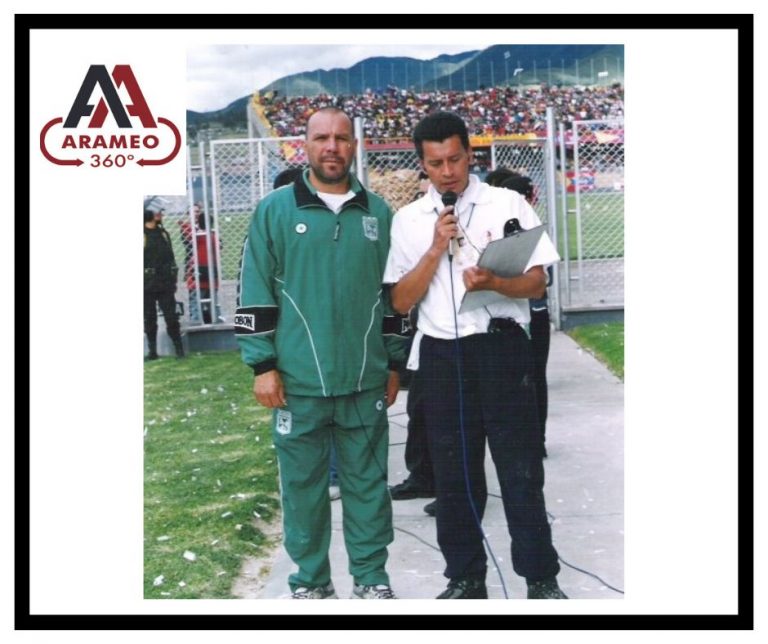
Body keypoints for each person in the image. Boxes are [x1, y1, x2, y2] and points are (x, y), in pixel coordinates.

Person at [383, 111, 567, 600]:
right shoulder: (408, 220)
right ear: (422, 165)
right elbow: (400, 301)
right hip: (442, 354)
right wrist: (433, 251)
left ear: (470, 154)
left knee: (520, 470)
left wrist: (494, 282)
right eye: (435, 163)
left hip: (501, 347)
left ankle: (541, 578)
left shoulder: (506, 203)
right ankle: (465, 578)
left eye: (455, 159)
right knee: (453, 475)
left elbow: (537, 283)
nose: (447, 172)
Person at [236, 107, 407, 600]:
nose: (332, 147)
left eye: (342, 138)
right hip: (297, 383)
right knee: (304, 490)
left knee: (368, 488)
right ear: (305, 145)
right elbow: (254, 289)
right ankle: (310, 581)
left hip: (364, 380)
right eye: (322, 138)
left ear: (354, 145)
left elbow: (394, 297)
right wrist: (262, 365)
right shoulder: (275, 210)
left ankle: (371, 579)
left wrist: (394, 362)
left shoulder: (379, 214)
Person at [271, 166, 342, 500]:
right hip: (292, 343)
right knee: (298, 418)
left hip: (328, 338)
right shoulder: (269, 229)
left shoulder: (324, 230)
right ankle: (308, 477)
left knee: (334, 408)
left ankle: (333, 475)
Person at [498, 173, 553, 457]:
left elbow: (544, 277)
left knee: (533, 376)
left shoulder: (530, 228)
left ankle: (536, 438)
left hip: (533, 312)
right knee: (525, 378)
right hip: (515, 316)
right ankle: (529, 438)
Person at [144, 199, 184, 359]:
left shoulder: (163, 234)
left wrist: (172, 278)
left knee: (171, 317)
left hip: (165, 283)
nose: (160, 214)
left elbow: (170, 258)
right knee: (149, 318)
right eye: (156, 211)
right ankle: (152, 351)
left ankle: (179, 350)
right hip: (146, 285)